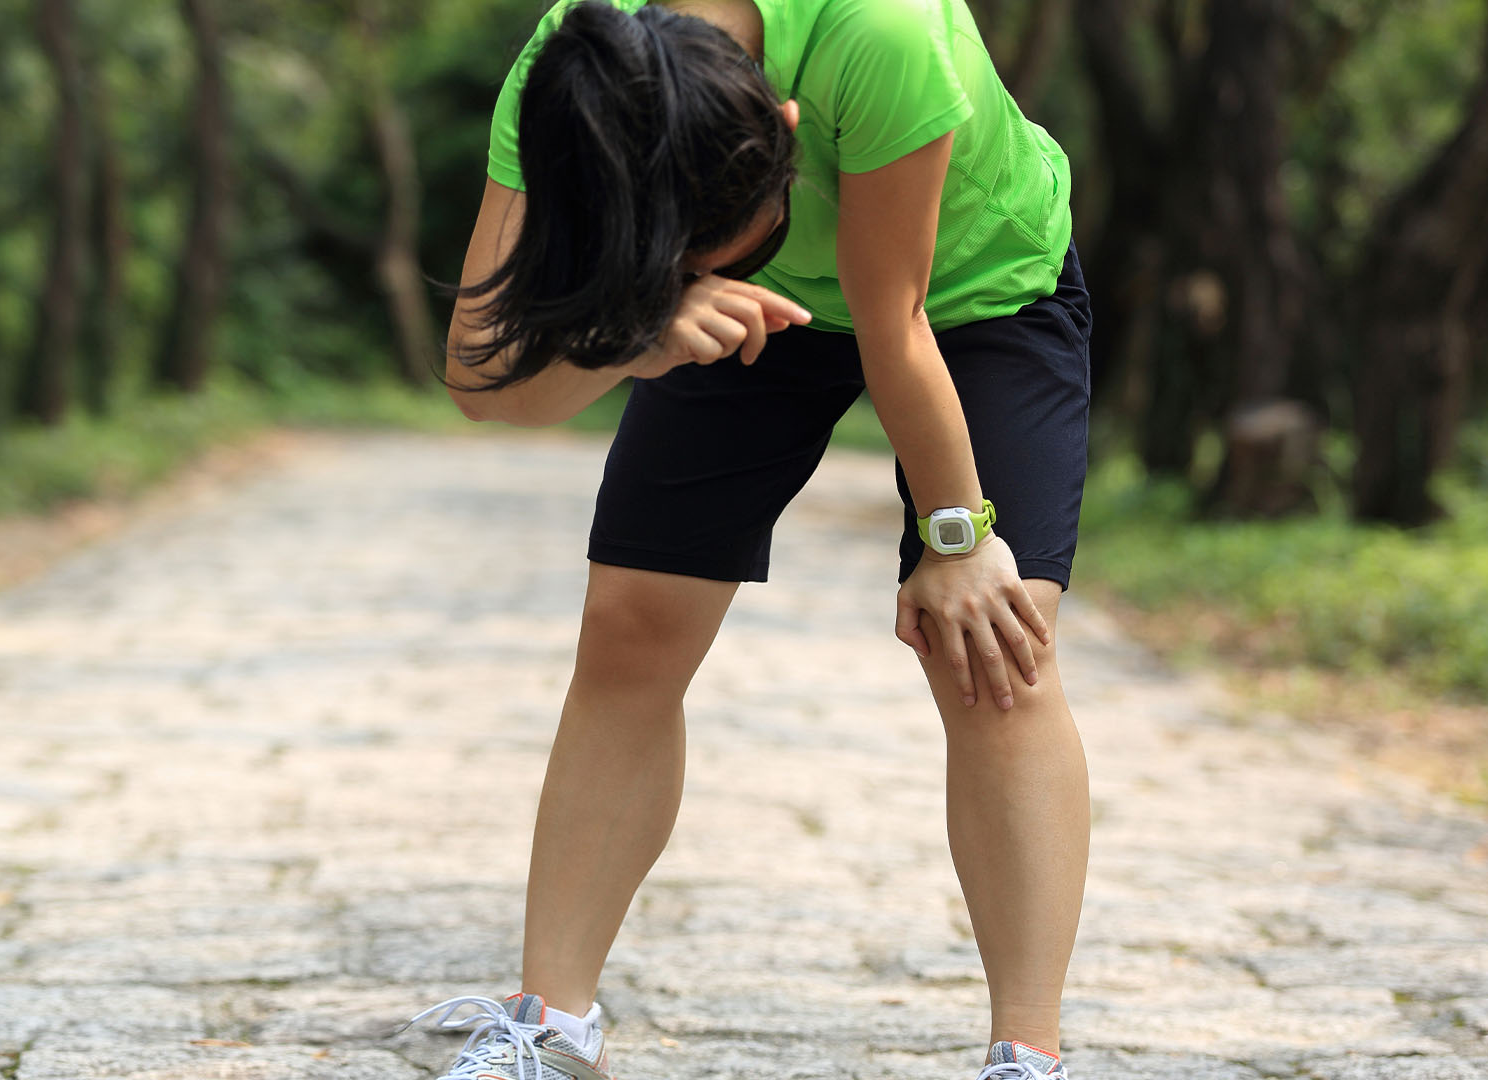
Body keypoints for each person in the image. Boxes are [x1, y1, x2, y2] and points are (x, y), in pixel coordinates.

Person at [401, 2, 1092, 1078]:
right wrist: (640, 332)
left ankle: (1028, 1057)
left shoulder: (883, 34)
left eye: (713, 235)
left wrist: (957, 539)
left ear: (783, 124)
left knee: (995, 647)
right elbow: (485, 381)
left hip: (969, 293)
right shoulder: (572, 74)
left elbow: (893, 322)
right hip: (746, 311)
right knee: (632, 622)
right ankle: (551, 1021)